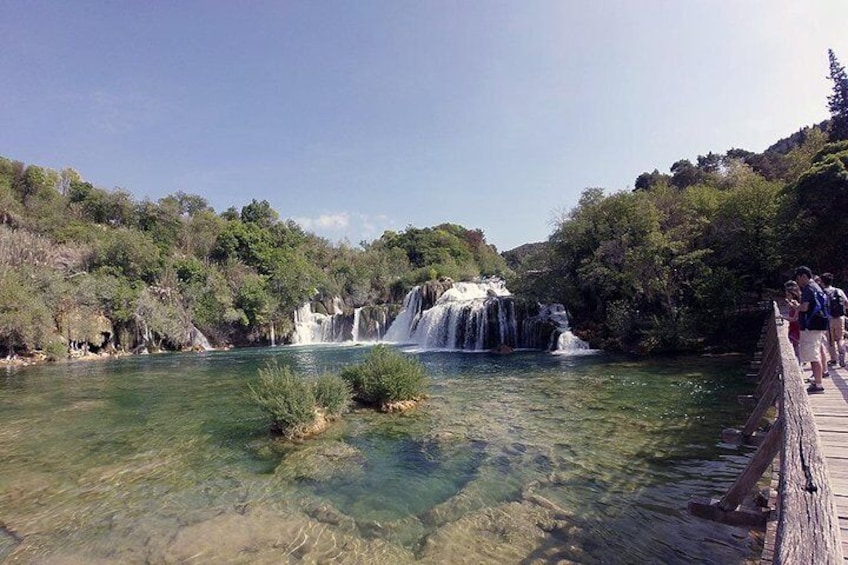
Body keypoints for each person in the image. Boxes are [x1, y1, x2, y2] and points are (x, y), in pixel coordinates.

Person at [795, 266, 829, 393]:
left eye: (798, 278)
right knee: (816, 353)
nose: (798, 282)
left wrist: (795, 306)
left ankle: (818, 384)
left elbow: (804, 308)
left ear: (804, 276)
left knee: (813, 356)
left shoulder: (808, 289)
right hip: (819, 324)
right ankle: (817, 381)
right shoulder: (817, 287)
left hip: (811, 326)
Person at [820, 272, 848, 367]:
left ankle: (833, 359)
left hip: (828, 319)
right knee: (840, 338)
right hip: (840, 317)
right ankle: (842, 355)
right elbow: (846, 303)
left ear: (822, 282)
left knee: (830, 340)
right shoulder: (839, 291)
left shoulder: (822, 292)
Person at [782, 280, 802, 361]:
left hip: (796, 328)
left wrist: (782, 317)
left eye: (788, 295)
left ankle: (799, 363)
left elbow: (794, 318)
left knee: (797, 348)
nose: (787, 297)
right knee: (796, 347)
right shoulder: (792, 303)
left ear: (793, 295)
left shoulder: (795, 303)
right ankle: (799, 362)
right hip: (794, 327)